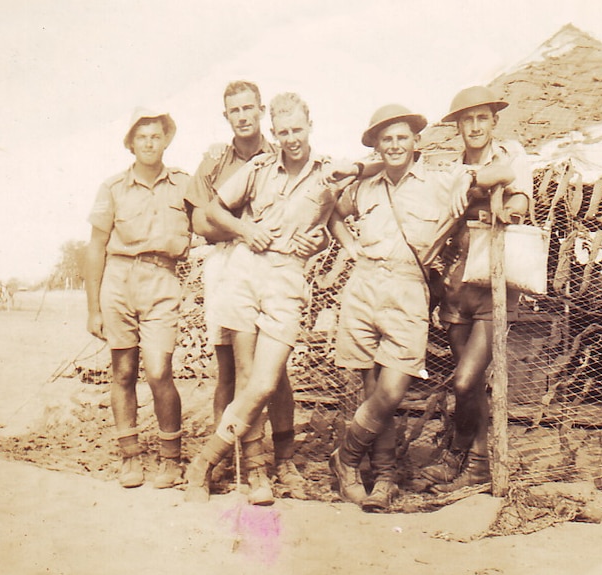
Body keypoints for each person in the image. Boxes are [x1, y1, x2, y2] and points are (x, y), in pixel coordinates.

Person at [328, 104, 515, 512]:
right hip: (364, 287)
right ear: (376, 145)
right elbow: (333, 214)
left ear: (417, 143)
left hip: (408, 288)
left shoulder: (440, 179)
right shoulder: (367, 186)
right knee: (372, 391)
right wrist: (349, 242)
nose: (394, 146)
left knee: (392, 391)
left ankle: (344, 459)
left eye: (402, 138)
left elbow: (504, 173)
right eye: (386, 139)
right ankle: (383, 479)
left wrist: (461, 191)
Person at [185, 92, 353, 504]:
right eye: (283, 132)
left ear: (310, 124)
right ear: (274, 133)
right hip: (245, 270)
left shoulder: (329, 173)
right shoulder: (260, 167)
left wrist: (318, 243)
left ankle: (205, 461)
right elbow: (212, 210)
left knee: (264, 382)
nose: (291, 138)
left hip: (285, 280)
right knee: (245, 376)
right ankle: (257, 472)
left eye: (297, 129)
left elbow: (337, 218)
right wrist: (245, 231)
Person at [185, 80, 307, 499]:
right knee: (230, 370)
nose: (243, 116)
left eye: (250, 108)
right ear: (226, 116)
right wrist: (241, 229)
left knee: (274, 374)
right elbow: (201, 221)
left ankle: (283, 461)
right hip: (226, 264)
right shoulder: (216, 160)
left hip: (270, 265)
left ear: (261, 113)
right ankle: (238, 462)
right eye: (234, 110)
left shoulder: (279, 155)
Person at [420, 85, 533, 492]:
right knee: (466, 382)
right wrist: (466, 185)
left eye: (482, 117)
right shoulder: (447, 171)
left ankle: (480, 461)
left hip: (492, 289)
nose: (475, 126)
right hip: (455, 290)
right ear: (457, 127)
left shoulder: (511, 156)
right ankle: (461, 455)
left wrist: (495, 200)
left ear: (494, 121)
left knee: (467, 381)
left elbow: (518, 198)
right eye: (466, 119)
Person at [84, 108, 190, 489]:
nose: (149, 142)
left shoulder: (184, 185)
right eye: (141, 136)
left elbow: (209, 222)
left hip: (161, 280)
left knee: (160, 371)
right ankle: (130, 457)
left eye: (156, 135)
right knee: (124, 372)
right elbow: (95, 247)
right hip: (119, 280)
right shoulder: (112, 188)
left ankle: (170, 459)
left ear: (166, 140)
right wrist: (93, 308)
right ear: (130, 143)